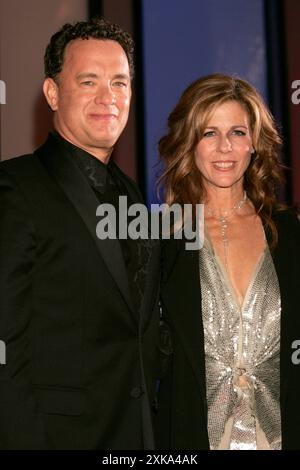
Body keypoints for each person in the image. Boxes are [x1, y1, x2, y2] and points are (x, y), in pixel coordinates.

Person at [0, 17, 161, 450]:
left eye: (120, 83)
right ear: (53, 93)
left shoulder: (133, 194)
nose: (108, 98)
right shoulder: (14, 188)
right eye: (89, 81)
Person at [155, 74, 300, 450]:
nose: (224, 148)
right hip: (193, 437)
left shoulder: (290, 232)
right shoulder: (161, 240)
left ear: (254, 142)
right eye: (208, 133)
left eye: (237, 132)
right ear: (190, 143)